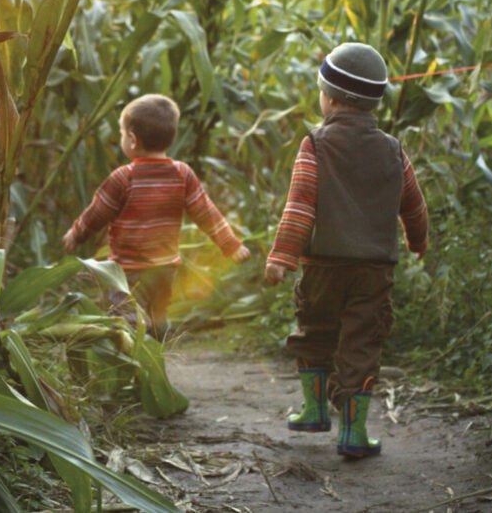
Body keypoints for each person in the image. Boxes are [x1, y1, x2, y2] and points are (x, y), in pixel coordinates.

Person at [262, 42, 428, 458]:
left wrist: (281, 257)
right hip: (374, 271)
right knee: (361, 344)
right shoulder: (394, 149)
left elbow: (299, 205)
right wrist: (417, 240)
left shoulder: (316, 144)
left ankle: (315, 410)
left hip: (322, 267)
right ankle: (353, 434)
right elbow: (414, 203)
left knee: (314, 332)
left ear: (329, 97)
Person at [62, 94, 252, 339]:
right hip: (165, 269)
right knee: (157, 316)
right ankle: (157, 355)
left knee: (126, 323)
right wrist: (231, 245)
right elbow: (207, 213)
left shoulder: (124, 178)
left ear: (132, 139)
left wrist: (76, 233)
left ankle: (135, 368)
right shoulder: (182, 174)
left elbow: (97, 213)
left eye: (122, 134)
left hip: (128, 271)